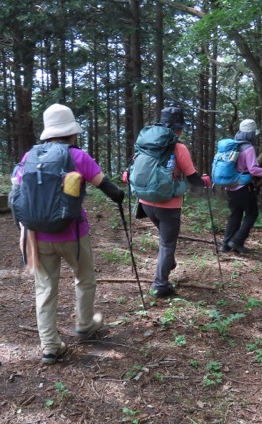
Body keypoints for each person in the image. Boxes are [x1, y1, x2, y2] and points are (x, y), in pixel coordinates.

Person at [13, 103, 125, 365]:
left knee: (45, 288)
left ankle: (50, 346)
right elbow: (108, 188)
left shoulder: (29, 157)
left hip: (37, 236)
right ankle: (85, 324)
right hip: (73, 233)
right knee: (84, 278)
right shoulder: (79, 156)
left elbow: (17, 192)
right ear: (72, 132)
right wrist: (121, 196)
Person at [128, 106, 211, 298]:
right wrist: (206, 181)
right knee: (167, 244)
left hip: (145, 202)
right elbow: (193, 179)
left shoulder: (145, 143)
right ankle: (160, 285)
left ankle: (168, 263)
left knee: (166, 242)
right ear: (179, 129)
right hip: (169, 206)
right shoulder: (179, 148)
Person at [220, 119, 262, 254]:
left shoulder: (233, 145)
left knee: (235, 214)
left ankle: (226, 244)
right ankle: (236, 241)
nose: (256, 136)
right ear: (250, 134)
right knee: (252, 213)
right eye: (254, 134)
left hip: (230, 187)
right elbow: (253, 170)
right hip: (243, 187)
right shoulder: (248, 148)